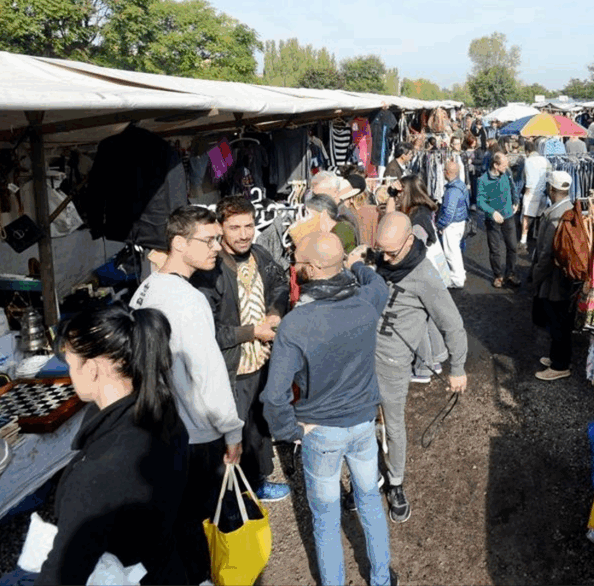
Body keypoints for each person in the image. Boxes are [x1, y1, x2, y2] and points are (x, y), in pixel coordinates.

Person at [261, 233, 396, 586]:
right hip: (364, 424)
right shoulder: (367, 302)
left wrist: (290, 433)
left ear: (314, 268)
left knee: (325, 518)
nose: (294, 266)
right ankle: (381, 579)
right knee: (369, 502)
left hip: (319, 431)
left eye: (298, 262)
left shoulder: (296, 323)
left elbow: (274, 397)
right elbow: (376, 280)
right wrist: (354, 263)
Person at [130, 206, 243, 585]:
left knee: (175, 524)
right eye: (208, 240)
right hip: (195, 433)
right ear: (179, 243)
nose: (217, 246)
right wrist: (232, 431)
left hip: (158, 426)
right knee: (199, 527)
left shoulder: (145, 290)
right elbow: (208, 373)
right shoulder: (189, 301)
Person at [35, 306, 188, 585]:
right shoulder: (163, 412)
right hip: (166, 567)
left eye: (70, 364)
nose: (70, 375)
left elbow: (63, 573)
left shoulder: (98, 472)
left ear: (91, 369)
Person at [192, 196, 290, 503]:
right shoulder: (211, 270)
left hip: (261, 363)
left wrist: (275, 311)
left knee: (257, 428)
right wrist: (252, 331)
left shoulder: (259, 254)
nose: (244, 234)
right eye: (234, 227)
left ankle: (257, 483)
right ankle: (231, 501)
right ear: (220, 228)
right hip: (231, 370)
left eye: (248, 225)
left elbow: (281, 283)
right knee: (233, 435)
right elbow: (207, 332)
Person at [373, 212, 468, 523]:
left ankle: (396, 483)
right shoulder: (380, 259)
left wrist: (457, 368)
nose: (385, 258)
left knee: (394, 424)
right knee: (361, 422)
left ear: (410, 242)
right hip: (361, 357)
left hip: (392, 364)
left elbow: (452, 325)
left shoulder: (425, 275)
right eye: (381, 250)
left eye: (392, 252)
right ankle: (367, 475)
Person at [531, 172, 576, 381]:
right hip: (563, 276)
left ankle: (560, 365)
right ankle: (557, 358)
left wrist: (535, 277)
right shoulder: (570, 208)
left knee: (557, 321)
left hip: (554, 278)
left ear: (551, 188)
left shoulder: (555, 216)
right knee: (560, 319)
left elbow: (545, 254)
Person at [477, 152, 521, 288]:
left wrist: (516, 201)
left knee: (512, 247)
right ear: (496, 165)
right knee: (495, 249)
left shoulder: (506, 173)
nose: (507, 166)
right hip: (493, 219)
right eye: (504, 164)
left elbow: (513, 187)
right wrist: (492, 212)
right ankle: (498, 275)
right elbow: (480, 201)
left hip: (508, 215)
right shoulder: (483, 180)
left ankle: (510, 273)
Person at [437, 160, 469, 289]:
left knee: (451, 253)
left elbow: (449, 212)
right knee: (455, 250)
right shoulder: (461, 185)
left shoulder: (452, 191)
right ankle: (460, 273)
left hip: (452, 224)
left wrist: (440, 224)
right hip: (460, 222)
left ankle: (457, 279)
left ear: (447, 172)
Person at [521, 138, 551, 246]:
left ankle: (523, 239)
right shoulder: (545, 160)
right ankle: (538, 236)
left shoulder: (528, 161)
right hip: (543, 192)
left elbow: (526, 177)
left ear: (527, 151)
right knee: (540, 216)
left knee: (526, 216)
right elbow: (549, 176)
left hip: (531, 192)